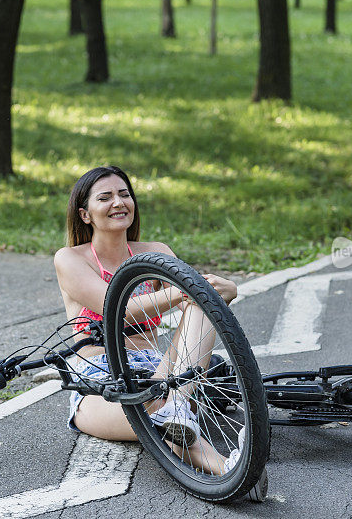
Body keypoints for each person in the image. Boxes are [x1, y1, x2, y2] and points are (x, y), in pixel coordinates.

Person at [54, 166, 267, 499]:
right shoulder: (70, 259)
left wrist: (221, 293)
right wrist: (188, 289)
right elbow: (116, 308)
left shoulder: (155, 252)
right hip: (100, 379)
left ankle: (180, 411)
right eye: (105, 197)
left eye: (124, 194)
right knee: (162, 421)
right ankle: (230, 468)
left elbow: (189, 307)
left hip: (161, 373)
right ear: (85, 213)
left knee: (202, 306)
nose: (118, 202)